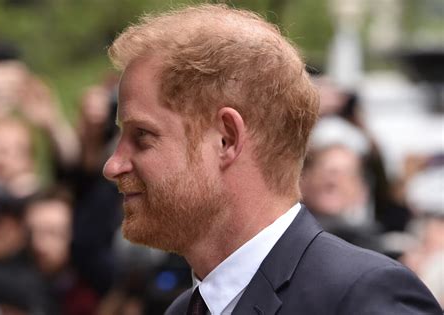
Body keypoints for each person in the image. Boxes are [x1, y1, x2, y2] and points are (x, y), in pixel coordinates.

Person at [103, 4, 442, 314]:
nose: (113, 165)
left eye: (142, 137)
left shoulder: (362, 298)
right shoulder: (183, 309)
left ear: (226, 139)